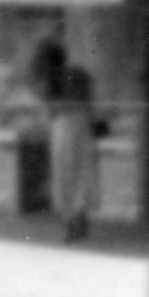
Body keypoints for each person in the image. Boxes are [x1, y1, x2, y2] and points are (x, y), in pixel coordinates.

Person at [43, 44, 101, 244]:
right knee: (82, 169)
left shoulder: (53, 79)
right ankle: (80, 216)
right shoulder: (80, 75)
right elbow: (89, 102)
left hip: (64, 125)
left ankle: (72, 221)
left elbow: (52, 108)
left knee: (64, 173)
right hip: (82, 123)